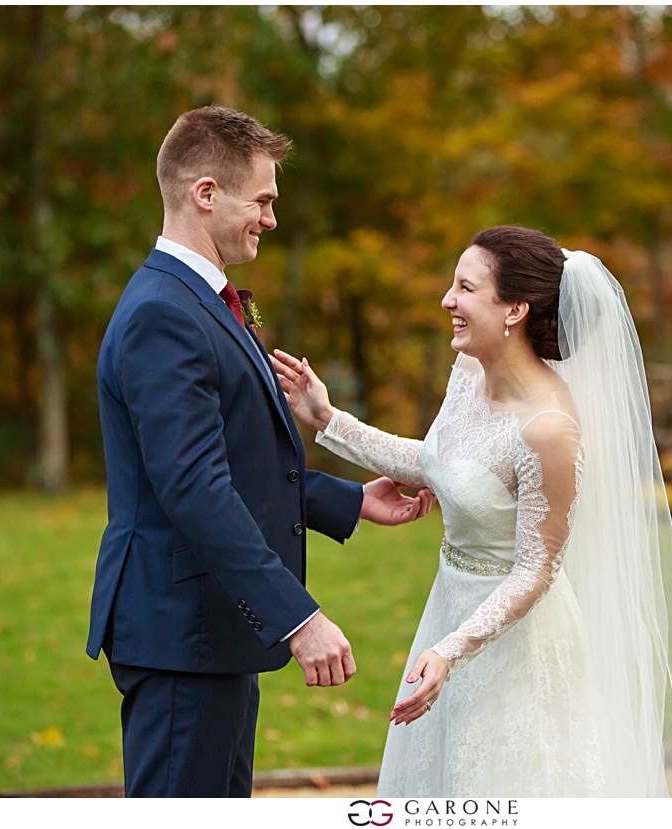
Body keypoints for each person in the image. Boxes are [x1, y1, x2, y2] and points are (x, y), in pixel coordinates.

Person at [271, 225, 672, 796]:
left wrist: (450, 651)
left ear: (514, 308)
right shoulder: (469, 373)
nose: (447, 301)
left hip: (516, 646)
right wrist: (329, 420)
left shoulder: (549, 429)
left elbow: (537, 569)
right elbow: (440, 462)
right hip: (447, 611)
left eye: (465, 288)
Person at [85, 106, 435, 798]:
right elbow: (193, 487)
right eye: (264, 199)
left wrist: (350, 500)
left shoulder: (201, 300)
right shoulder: (165, 312)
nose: (271, 218)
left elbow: (236, 461)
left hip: (209, 631)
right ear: (206, 192)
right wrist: (298, 617)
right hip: (181, 633)